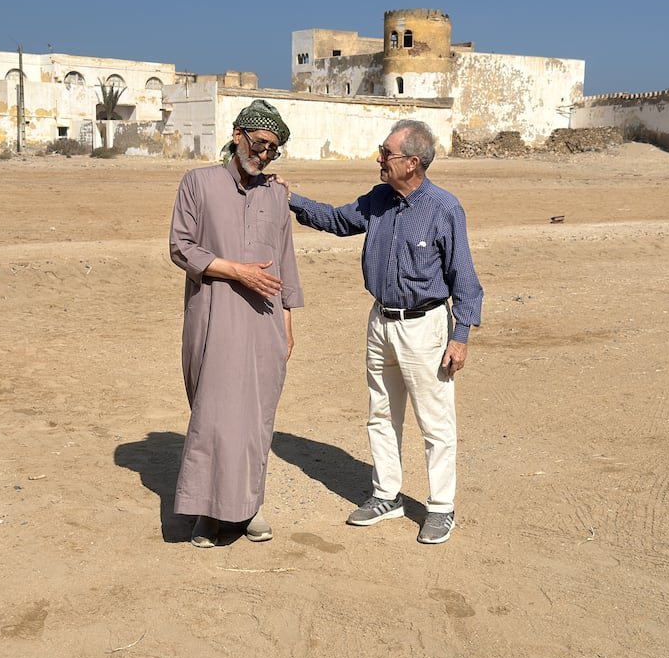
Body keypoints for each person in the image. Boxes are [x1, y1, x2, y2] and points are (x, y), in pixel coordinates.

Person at [273, 120, 482, 544]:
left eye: (386, 153)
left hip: (426, 328)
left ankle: (441, 507)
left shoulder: (444, 209)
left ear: (412, 163)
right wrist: (290, 200)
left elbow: (466, 280)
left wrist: (460, 336)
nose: (379, 159)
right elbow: (337, 220)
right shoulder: (378, 200)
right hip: (380, 322)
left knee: (435, 422)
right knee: (382, 413)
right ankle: (387, 495)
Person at [168, 100, 303, 548]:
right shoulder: (198, 183)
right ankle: (206, 513)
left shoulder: (275, 195)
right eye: (261, 144)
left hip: (264, 324)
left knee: (255, 421)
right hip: (213, 315)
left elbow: (285, 261)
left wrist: (287, 321)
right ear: (238, 134)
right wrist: (236, 270)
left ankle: (248, 508)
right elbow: (181, 247)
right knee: (214, 416)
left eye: (273, 150)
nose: (264, 155)